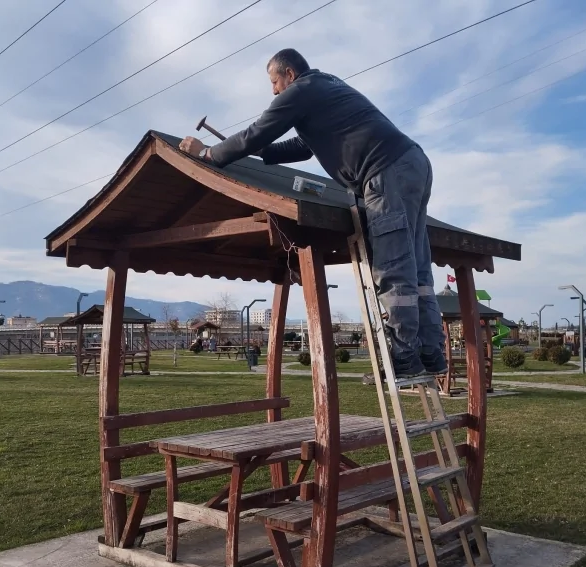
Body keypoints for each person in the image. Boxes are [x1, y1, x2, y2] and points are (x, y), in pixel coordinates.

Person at [179, 48, 446, 379]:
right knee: (417, 267)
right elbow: (303, 147)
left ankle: (403, 358)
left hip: (385, 170)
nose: (273, 91)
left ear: (289, 74)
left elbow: (260, 129)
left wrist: (207, 153)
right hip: (412, 164)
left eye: (274, 82)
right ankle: (431, 353)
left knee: (393, 265)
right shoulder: (327, 87)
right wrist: (265, 152)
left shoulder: (302, 90)